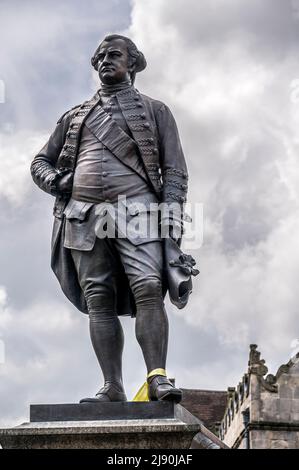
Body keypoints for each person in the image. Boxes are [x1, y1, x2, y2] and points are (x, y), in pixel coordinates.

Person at [31, 34, 191, 403]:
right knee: (98, 298)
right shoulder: (74, 117)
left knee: (149, 287)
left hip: (138, 212)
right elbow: (40, 162)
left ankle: (157, 378)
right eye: (99, 56)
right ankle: (112, 386)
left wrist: (171, 225)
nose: (105, 60)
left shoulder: (156, 111)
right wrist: (56, 181)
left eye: (114, 54)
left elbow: (175, 172)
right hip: (83, 215)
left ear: (132, 64)